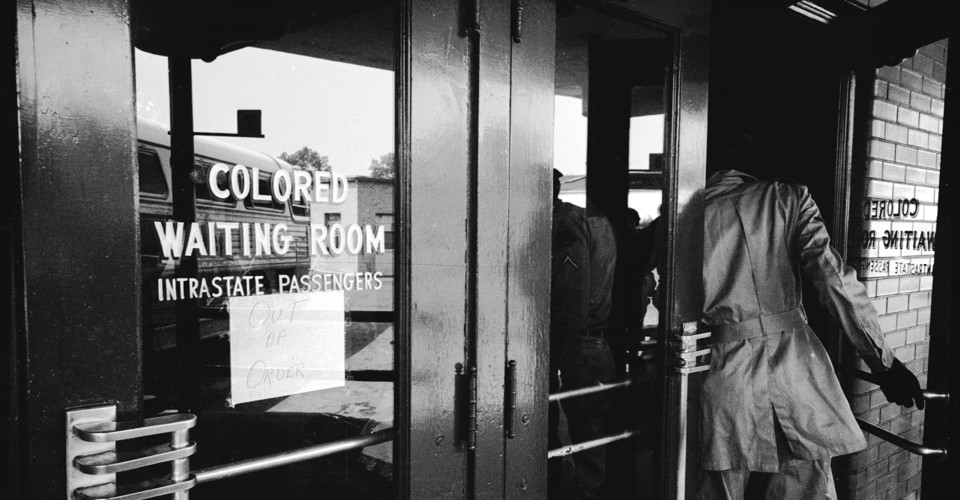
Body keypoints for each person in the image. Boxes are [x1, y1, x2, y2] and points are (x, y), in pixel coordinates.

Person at [698, 131, 926, 499]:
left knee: (719, 488)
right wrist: (883, 362)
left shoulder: (683, 217)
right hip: (795, 372)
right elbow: (834, 281)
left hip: (724, 376)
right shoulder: (786, 198)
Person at [549, 169, 618, 499]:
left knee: (582, 432)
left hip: (576, 344)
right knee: (588, 432)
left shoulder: (565, 222)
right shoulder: (587, 217)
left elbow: (569, 292)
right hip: (590, 343)